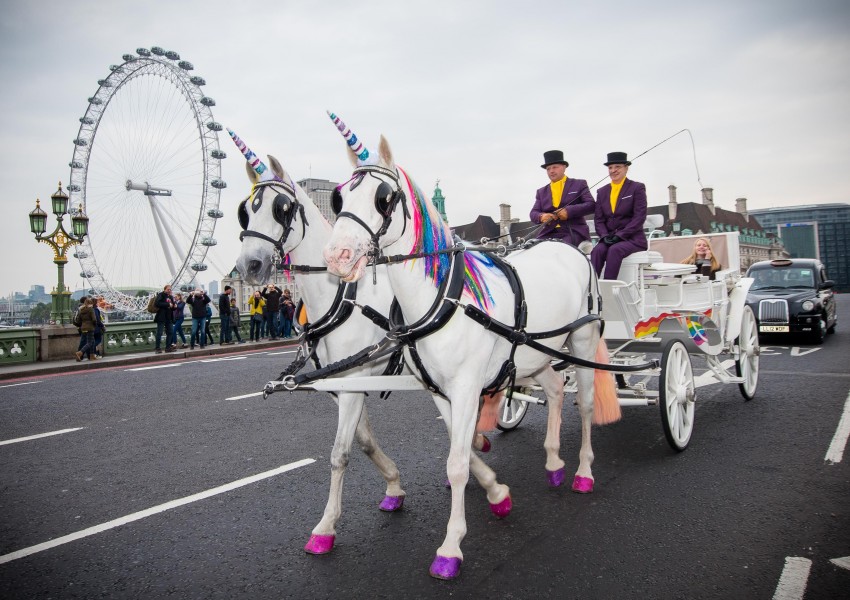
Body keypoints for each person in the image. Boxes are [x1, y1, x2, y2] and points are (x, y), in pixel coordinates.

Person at [590, 152, 648, 279]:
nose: (613, 170)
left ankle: (608, 289)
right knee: (597, 250)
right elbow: (599, 220)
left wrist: (620, 235)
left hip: (632, 239)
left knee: (615, 250)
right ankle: (592, 289)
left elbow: (639, 217)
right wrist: (604, 236)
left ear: (626, 168)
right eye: (610, 168)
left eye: (618, 167)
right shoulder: (602, 191)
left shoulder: (637, 188)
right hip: (609, 238)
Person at [530, 150, 595, 249]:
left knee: (559, 249)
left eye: (555, 167)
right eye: (548, 169)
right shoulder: (541, 192)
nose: (551, 171)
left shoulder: (579, 184)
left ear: (564, 167)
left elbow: (591, 205)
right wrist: (541, 216)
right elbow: (533, 213)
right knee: (531, 249)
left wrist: (569, 211)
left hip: (573, 231)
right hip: (549, 232)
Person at [153, 285, 176, 354]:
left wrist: (174, 306)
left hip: (169, 317)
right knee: (159, 333)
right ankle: (157, 348)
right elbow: (157, 303)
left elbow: (172, 307)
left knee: (171, 332)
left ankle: (168, 347)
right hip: (161, 317)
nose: (169, 290)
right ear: (165, 289)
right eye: (168, 289)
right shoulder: (161, 295)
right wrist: (168, 304)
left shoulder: (171, 297)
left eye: (170, 289)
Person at [74, 297, 99, 361]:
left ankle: (92, 356)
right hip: (90, 327)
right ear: (90, 303)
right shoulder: (91, 309)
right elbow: (94, 319)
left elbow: (79, 320)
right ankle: (80, 353)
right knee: (90, 342)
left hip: (83, 327)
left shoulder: (81, 310)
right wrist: (94, 325)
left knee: (92, 341)